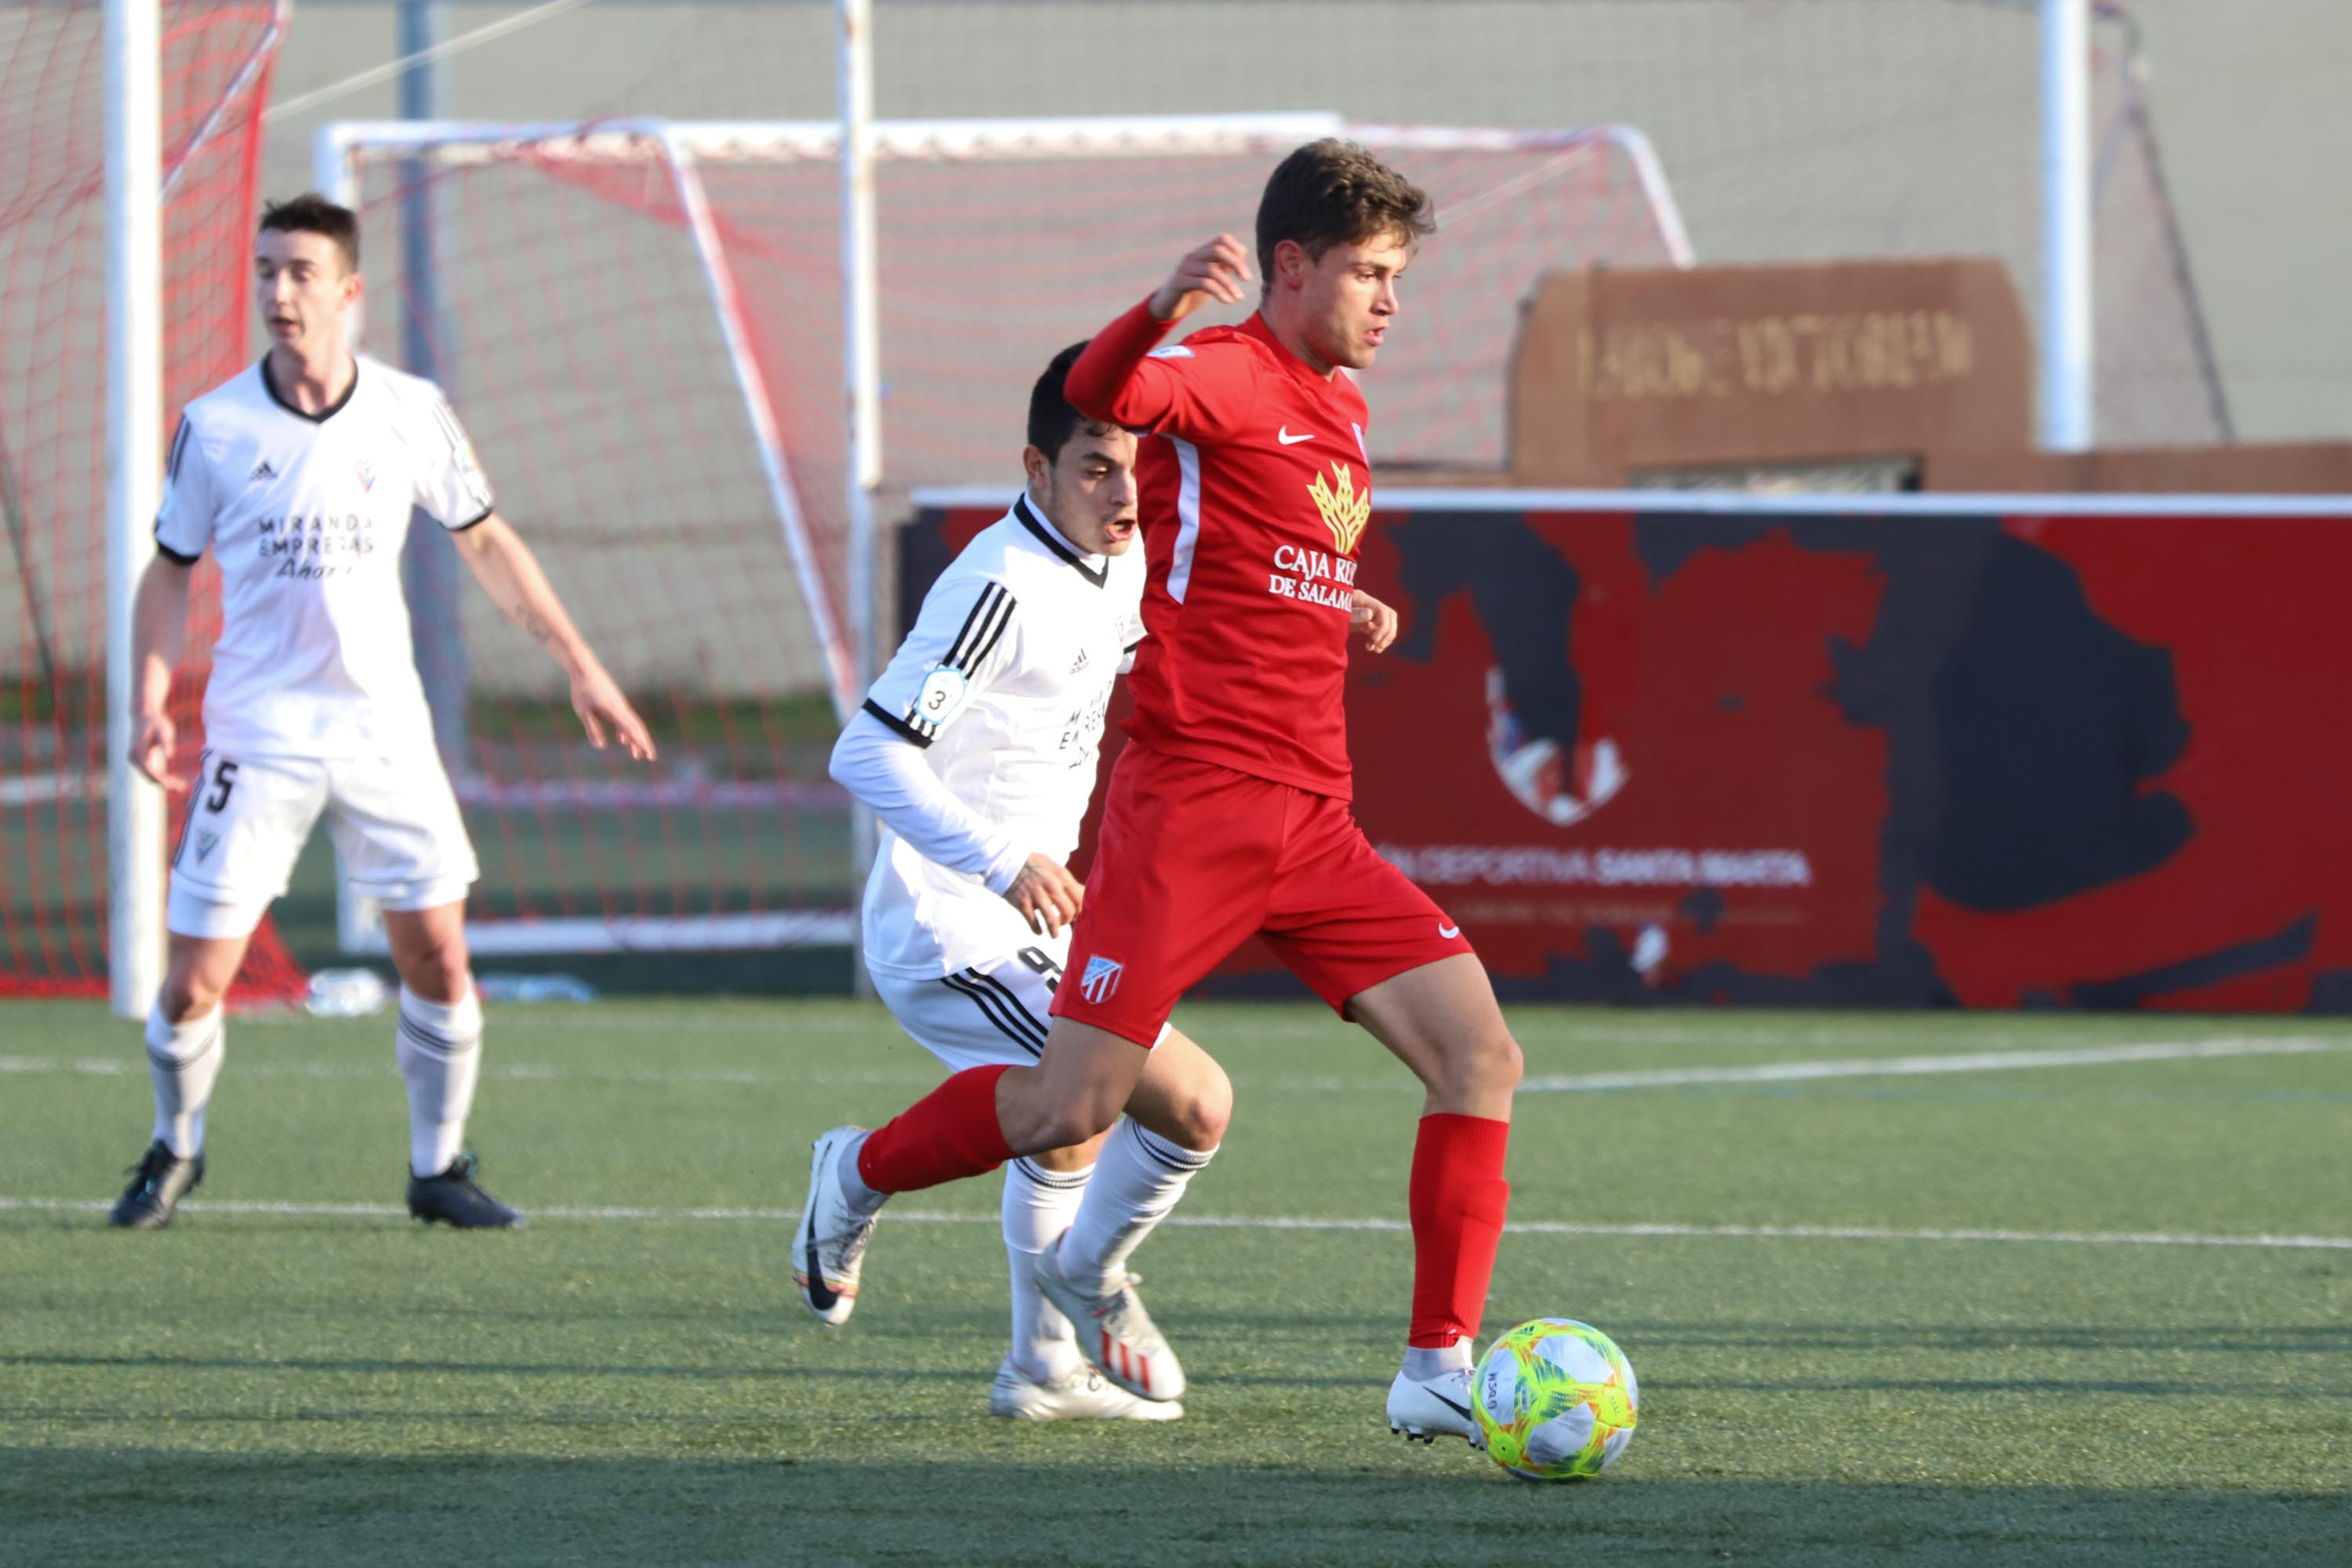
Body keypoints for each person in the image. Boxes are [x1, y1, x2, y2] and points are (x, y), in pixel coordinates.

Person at [800, 140, 1519, 1450]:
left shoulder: (1341, 410)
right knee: (1065, 1111)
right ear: (1290, 266)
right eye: (1367, 271)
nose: (1389, 300)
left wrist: (1335, 601)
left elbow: (1253, 552)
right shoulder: (1223, 369)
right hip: (1190, 811)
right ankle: (857, 1173)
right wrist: (1163, 308)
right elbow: (1100, 388)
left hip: (1313, 822)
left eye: (1397, 275)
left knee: (1480, 1058)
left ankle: (1435, 1365)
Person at [108, 193, 655, 1231]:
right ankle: (175, 1148)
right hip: (258, 733)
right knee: (190, 985)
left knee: (438, 957)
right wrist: (146, 699)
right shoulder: (215, 428)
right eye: (266, 270)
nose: (279, 291)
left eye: (301, 272)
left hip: (383, 730)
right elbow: (169, 570)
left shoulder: (409, 410)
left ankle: (437, 1168)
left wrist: (582, 664)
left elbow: (487, 542)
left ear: (347, 292)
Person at [800, 345, 1234, 1421]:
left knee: (1080, 1119)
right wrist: (1002, 861)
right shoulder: (998, 583)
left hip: (1033, 917)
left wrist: (1337, 612)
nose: (1123, 492)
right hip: (954, 924)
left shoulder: (1117, 555)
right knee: (1184, 1101)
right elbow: (864, 753)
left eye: (1135, 464)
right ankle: (862, 1179)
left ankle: (1042, 1368)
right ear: (1035, 469)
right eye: (1095, 466)